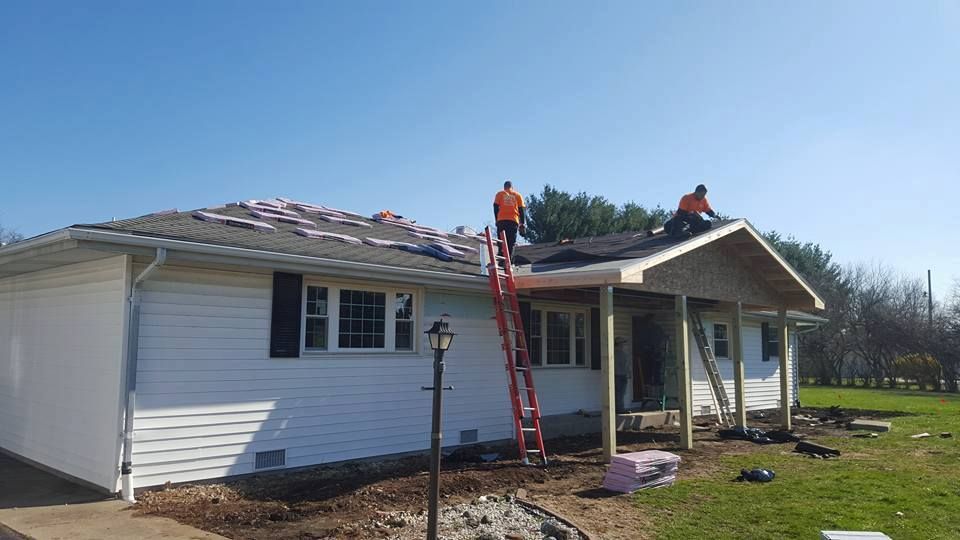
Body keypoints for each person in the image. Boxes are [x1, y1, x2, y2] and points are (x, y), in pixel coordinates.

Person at [493, 180, 526, 257]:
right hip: (513, 221)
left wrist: (496, 219)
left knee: (501, 240)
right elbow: (521, 210)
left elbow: (495, 207)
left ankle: (501, 257)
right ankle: (509, 260)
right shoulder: (518, 195)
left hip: (501, 220)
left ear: (504, 187)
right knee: (511, 242)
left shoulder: (499, 194)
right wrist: (522, 223)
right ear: (512, 187)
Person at [614, 336, 631, 413]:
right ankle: (619, 409)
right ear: (619, 344)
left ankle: (620, 408)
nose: (624, 345)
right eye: (623, 343)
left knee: (621, 393)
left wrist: (628, 372)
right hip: (618, 375)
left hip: (622, 375)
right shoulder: (616, 354)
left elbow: (626, 365)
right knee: (619, 393)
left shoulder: (623, 353)